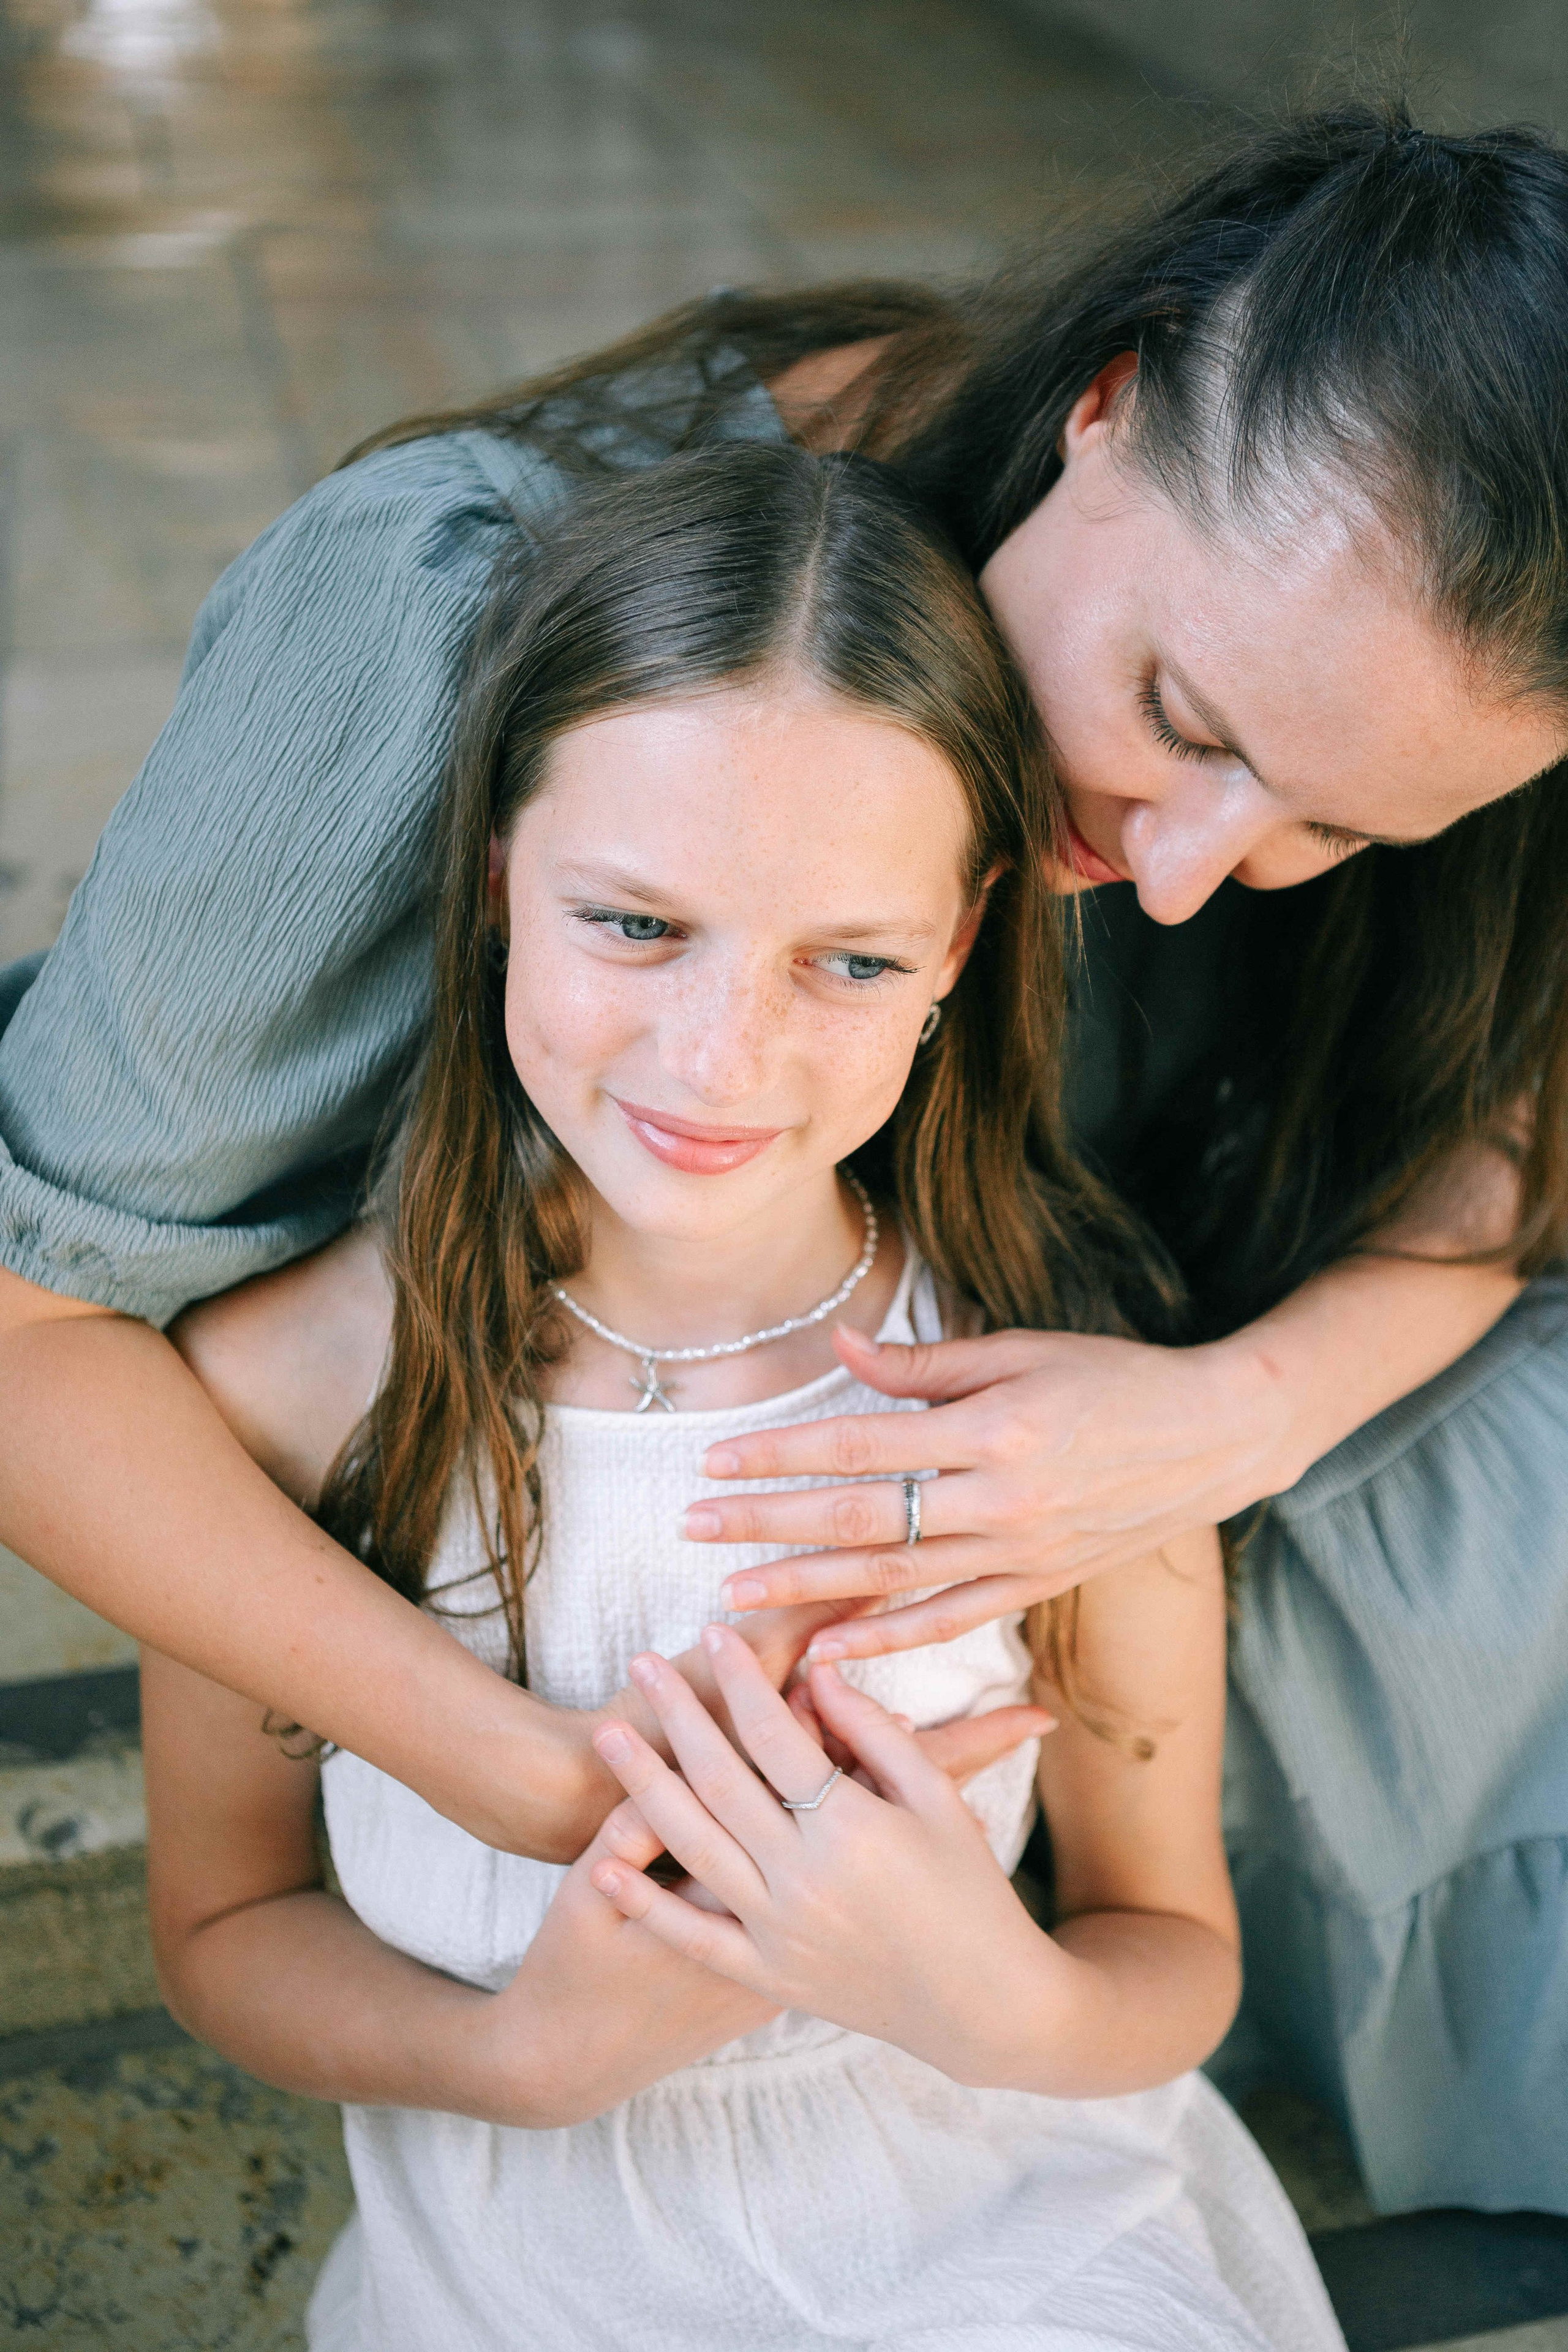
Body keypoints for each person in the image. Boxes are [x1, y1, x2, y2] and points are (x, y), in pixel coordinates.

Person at [1, 103, 1566, 2207]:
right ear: (1103, 410)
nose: (1193, 880)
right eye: (1182, 720)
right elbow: (33, 1328)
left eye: (1330, 832)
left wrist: (1221, 1425)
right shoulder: (446, 612)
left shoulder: (1421, 701)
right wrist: (543, 1771)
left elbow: (1503, 1154)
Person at [145, 445, 1344, 2351]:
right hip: (521, 2260)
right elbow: (221, 1934)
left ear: (954, 956)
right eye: (634, 923)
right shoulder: (279, 1393)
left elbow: (1168, 1945)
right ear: (494, 883)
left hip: (1004, 2225)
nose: (724, 1057)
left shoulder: (1049, 1391)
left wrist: (996, 2000)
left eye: (849, 960)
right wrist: (531, 2055)